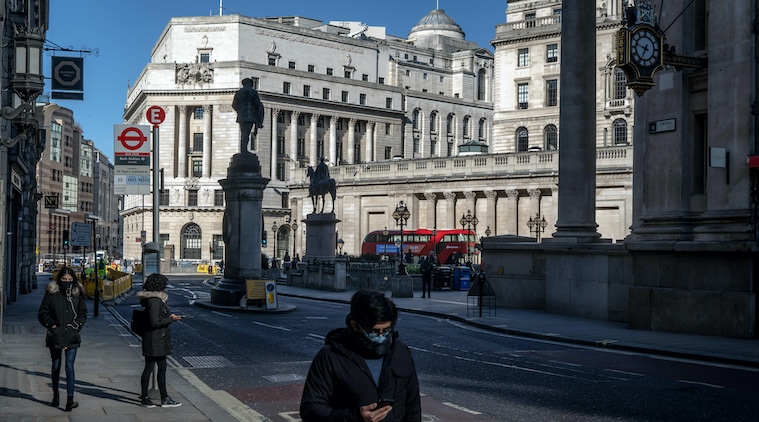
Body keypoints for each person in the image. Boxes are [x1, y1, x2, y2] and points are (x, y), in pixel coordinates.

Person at [300, 290, 421, 421]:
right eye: (374, 331)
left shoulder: (400, 351)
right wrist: (355, 417)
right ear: (355, 326)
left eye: (386, 331)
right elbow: (310, 409)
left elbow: (413, 406)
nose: (381, 336)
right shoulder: (330, 356)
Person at [38, 266, 87, 411]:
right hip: (56, 335)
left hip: (72, 335)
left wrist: (77, 325)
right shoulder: (52, 293)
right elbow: (42, 313)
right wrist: (51, 325)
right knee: (56, 366)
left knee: (69, 367)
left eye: (70, 280)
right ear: (60, 280)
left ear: (74, 280)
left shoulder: (77, 294)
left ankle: (70, 400)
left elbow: (83, 313)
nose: (67, 282)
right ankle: (55, 395)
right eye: (64, 279)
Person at [137, 273, 183, 408]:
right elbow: (154, 322)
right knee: (152, 368)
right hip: (155, 339)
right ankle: (149, 398)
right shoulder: (155, 301)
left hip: (155, 339)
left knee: (158, 367)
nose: (166, 286)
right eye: (164, 284)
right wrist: (171, 319)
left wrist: (169, 316)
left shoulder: (151, 299)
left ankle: (162, 398)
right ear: (159, 285)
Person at [232, 77, 265, 152]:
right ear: (250, 84)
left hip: (241, 116)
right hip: (250, 116)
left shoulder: (239, 92)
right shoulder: (253, 92)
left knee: (243, 133)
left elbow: (234, 105)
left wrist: (240, 111)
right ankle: (244, 150)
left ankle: (243, 149)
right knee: (246, 133)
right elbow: (257, 104)